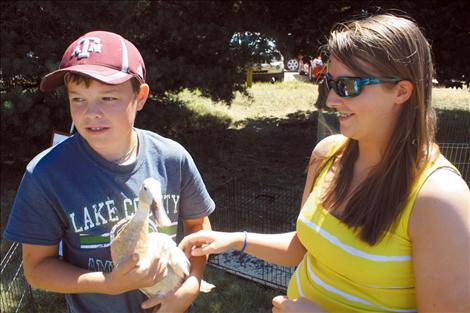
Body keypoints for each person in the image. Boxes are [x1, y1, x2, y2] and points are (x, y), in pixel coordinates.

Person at [179, 14, 470, 312]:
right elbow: (304, 245)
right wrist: (232, 240)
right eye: (330, 82)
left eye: (348, 86)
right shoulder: (328, 154)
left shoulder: (439, 199)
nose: (330, 100)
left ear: (401, 91)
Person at [3, 30, 215, 313]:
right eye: (78, 99)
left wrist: (189, 288)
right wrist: (107, 283)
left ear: (139, 97)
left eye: (108, 98)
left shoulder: (172, 158)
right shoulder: (45, 174)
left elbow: (198, 226)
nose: (91, 112)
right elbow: (37, 268)